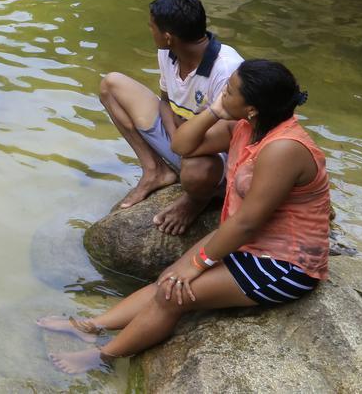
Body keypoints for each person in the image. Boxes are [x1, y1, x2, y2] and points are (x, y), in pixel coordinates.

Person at [41, 60, 329, 373]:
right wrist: (216, 111)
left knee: (172, 294)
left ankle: (102, 358)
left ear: (253, 108)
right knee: (167, 278)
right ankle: (90, 326)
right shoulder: (244, 127)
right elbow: (182, 145)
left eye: (229, 92)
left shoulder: (284, 148)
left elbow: (247, 223)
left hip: (283, 264)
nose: (222, 93)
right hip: (247, 244)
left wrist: (197, 264)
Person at [99, 0, 243, 235]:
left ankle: (202, 197)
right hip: (181, 135)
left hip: (212, 155)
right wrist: (176, 132)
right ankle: (155, 171)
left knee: (198, 170)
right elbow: (165, 101)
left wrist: (183, 139)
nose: (150, 31)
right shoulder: (168, 52)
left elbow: (232, 134)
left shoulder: (227, 69)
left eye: (151, 27)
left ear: (168, 37)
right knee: (111, 85)